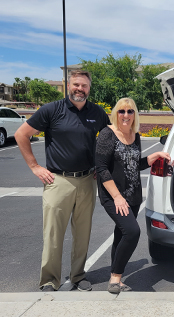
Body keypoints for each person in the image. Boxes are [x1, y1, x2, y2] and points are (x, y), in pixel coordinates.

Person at [14, 70, 110, 292]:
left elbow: (108, 139)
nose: (80, 89)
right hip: (58, 181)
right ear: (69, 86)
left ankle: (77, 276)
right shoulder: (51, 110)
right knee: (53, 234)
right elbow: (21, 134)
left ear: (89, 89)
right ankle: (49, 280)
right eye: (76, 84)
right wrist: (35, 167)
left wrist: (101, 166)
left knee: (83, 234)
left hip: (87, 180)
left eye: (84, 86)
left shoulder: (97, 113)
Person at [95, 98, 171, 294]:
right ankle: (115, 277)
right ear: (116, 113)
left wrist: (154, 156)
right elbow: (102, 169)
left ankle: (115, 275)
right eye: (122, 111)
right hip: (114, 196)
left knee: (121, 234)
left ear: (135, 114)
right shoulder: (107, 134)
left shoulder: (135, 135)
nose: (126, 115)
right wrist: (117, 197)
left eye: (130, 111)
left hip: (133, 195)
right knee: (132, 231)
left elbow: (135, 164)